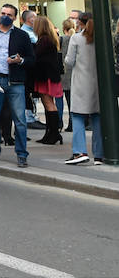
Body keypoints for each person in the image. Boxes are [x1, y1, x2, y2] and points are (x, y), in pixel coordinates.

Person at [0, 3, 35, 167]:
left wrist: (20, 60)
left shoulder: (21, 35)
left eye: (9, 15)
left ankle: (22, 154)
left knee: (19, 119)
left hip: (15, 81)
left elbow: (32, 59)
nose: (5, 16)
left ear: (15, 18)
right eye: (3, 13)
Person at [64, 13, 102, 164]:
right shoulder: (101, 38)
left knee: (78, 116)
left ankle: (79, 152)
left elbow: (69, 61)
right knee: (97, 119)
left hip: (81, 82)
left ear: (80, 22)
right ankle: (99, 154)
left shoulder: (77, 38)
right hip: (98, 84)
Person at [31, 16, 64, 145]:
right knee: (49, 103)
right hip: (50, 75)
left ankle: (54, 133)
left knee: (48, 103)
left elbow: (36, 56)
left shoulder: (44, 40)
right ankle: (51, 133)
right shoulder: (50, 38)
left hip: (45, 76)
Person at [60, 17, 75, 133]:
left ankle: (59, 123)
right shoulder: (76, 39)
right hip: (73, 73)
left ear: (63, 28)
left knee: (59, 100)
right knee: (72, 101)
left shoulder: (61, 39)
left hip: (62, 74)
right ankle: (72, 123)